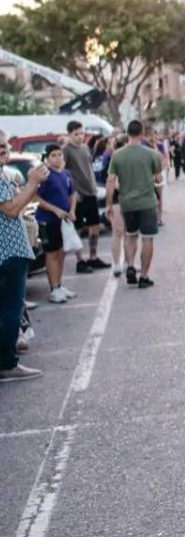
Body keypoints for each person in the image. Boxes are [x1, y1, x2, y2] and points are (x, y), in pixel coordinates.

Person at [1, 141, 48, 382]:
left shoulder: (4, 175)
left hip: (9, 253)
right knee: (11, 308)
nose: (3, 150)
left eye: (4, 146)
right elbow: (10, 209)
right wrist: (32, 182)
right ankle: (7, 364)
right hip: (8, 253)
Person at [107, 120, 164, 288]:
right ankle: (144, 276)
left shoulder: (117, 155)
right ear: (142, 132)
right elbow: (159, 178)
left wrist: (109, 204)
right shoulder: (152, 154)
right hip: (147, 202)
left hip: (127, 203)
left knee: (130, 235)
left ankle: (130, 265)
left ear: (127, 133)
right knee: (147, 238)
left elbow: (111, 181)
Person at [63, 120, 109, 273]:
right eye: (76, 134)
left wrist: (94, 187)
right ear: (69, 134)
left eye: (82, 133)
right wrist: (72, 192)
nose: (80, 137)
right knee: (78, 228)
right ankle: (80, 260)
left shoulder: (84, 148)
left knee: (95, 225)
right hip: (78, 194)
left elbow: (88, 168)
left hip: (91, 192)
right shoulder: (66, 150)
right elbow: (63, 171)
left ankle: (93, 257)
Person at [35, 143, 77, 304]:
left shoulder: (66, 173)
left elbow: (72, 193)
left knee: (61, 252)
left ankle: (59, 285)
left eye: (59, 154)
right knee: (51, 254)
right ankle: (53, 289)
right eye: (53, 155)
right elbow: (36, 198)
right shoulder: (45, 176)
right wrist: (54, 210)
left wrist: (72, 209)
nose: (57, 158)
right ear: (47, 158)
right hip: (48, 220)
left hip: (64, 221)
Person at [105, 135, 129, 277]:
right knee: (118, 231)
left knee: (129, 232)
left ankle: (128, 261)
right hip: (117, 200)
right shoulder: (113, 160)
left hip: (129, 199)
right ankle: (116, 263)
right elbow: (111, 182)